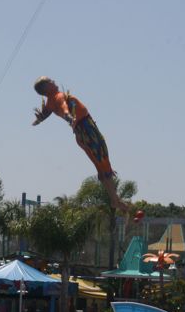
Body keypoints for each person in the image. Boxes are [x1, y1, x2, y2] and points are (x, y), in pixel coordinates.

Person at [32, 76, 129, 212]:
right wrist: (68, 117)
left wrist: (39, 120)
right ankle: (114, 200)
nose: (54, 82)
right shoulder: (58, 96)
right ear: (46, 88)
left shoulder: (50, 103)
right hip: (87, 129)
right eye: (50, 82)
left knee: (101, 167)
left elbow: (46, 113)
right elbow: (64, 107)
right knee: (105, 164)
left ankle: (114, 199)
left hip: (80, 135)